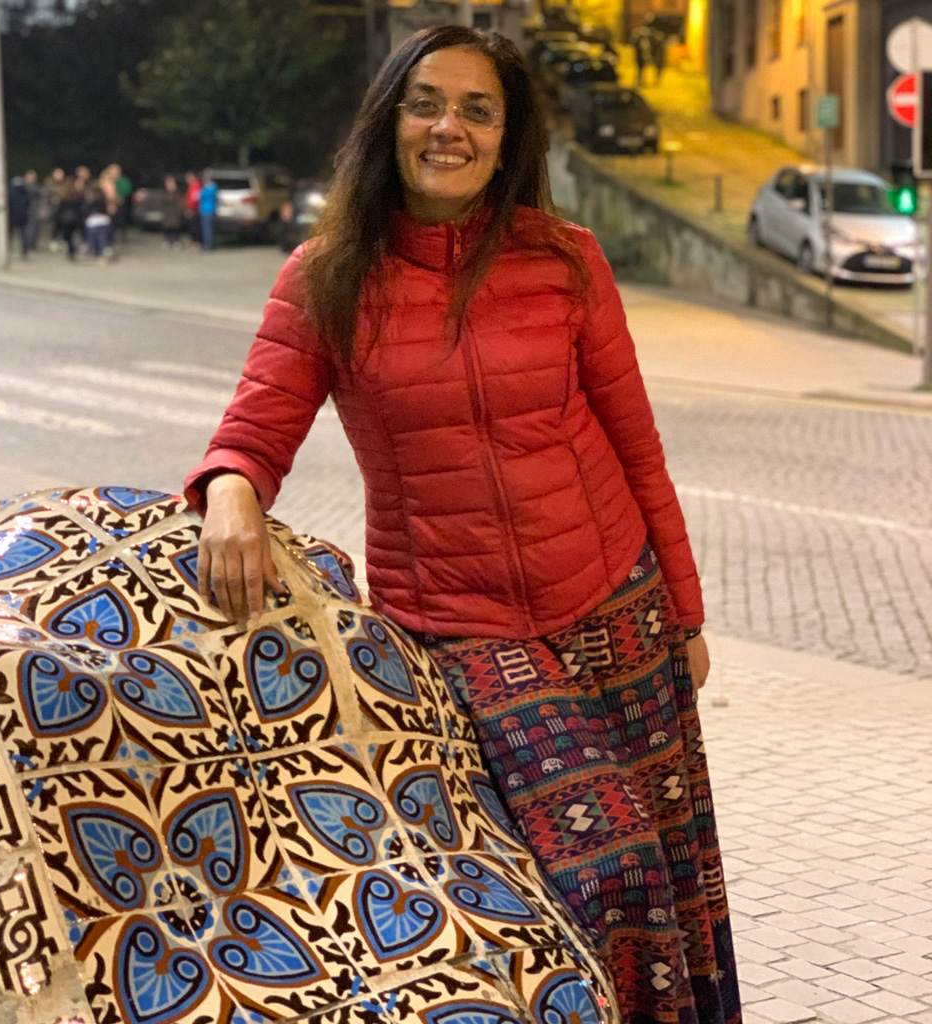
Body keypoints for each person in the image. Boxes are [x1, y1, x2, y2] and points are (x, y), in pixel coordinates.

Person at [184, 26, 741, 1024]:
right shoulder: (326, 277)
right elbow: (253, 429)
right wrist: (229, 491)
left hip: (618, 602)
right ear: (388, 122)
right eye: (426, 103)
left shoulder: (566, 260)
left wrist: (687, 616)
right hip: (461, 628)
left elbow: (636, 444)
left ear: (505, 135)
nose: (450, 126)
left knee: (670, 869)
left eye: (477, 110)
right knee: (605, 876)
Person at [160, 174, 185, 248]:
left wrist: (180, 212)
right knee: (167, 227)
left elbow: (180, 203)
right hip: (168, 214)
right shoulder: (164, 193)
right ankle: (167, 240)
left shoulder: (178, 193)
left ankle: (176, 240)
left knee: (175, 227)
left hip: (175, 214)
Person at [198, 172, 219, 251]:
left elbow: (200, 196)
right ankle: (211, 244)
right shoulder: (214, 187)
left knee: (207, 229)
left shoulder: (207, 188)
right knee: (211, 228)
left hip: (206, 210)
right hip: (212, 210)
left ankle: (208, 245)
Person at [184, 171, 203, 247]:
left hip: (194, 211)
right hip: (192, 210)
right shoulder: (192, 186)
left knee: (195, 227)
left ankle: (197, 242)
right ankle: (194, 241)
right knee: (192, 227)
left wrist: (191, 209)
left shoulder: (196, 186)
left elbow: (195, 199)